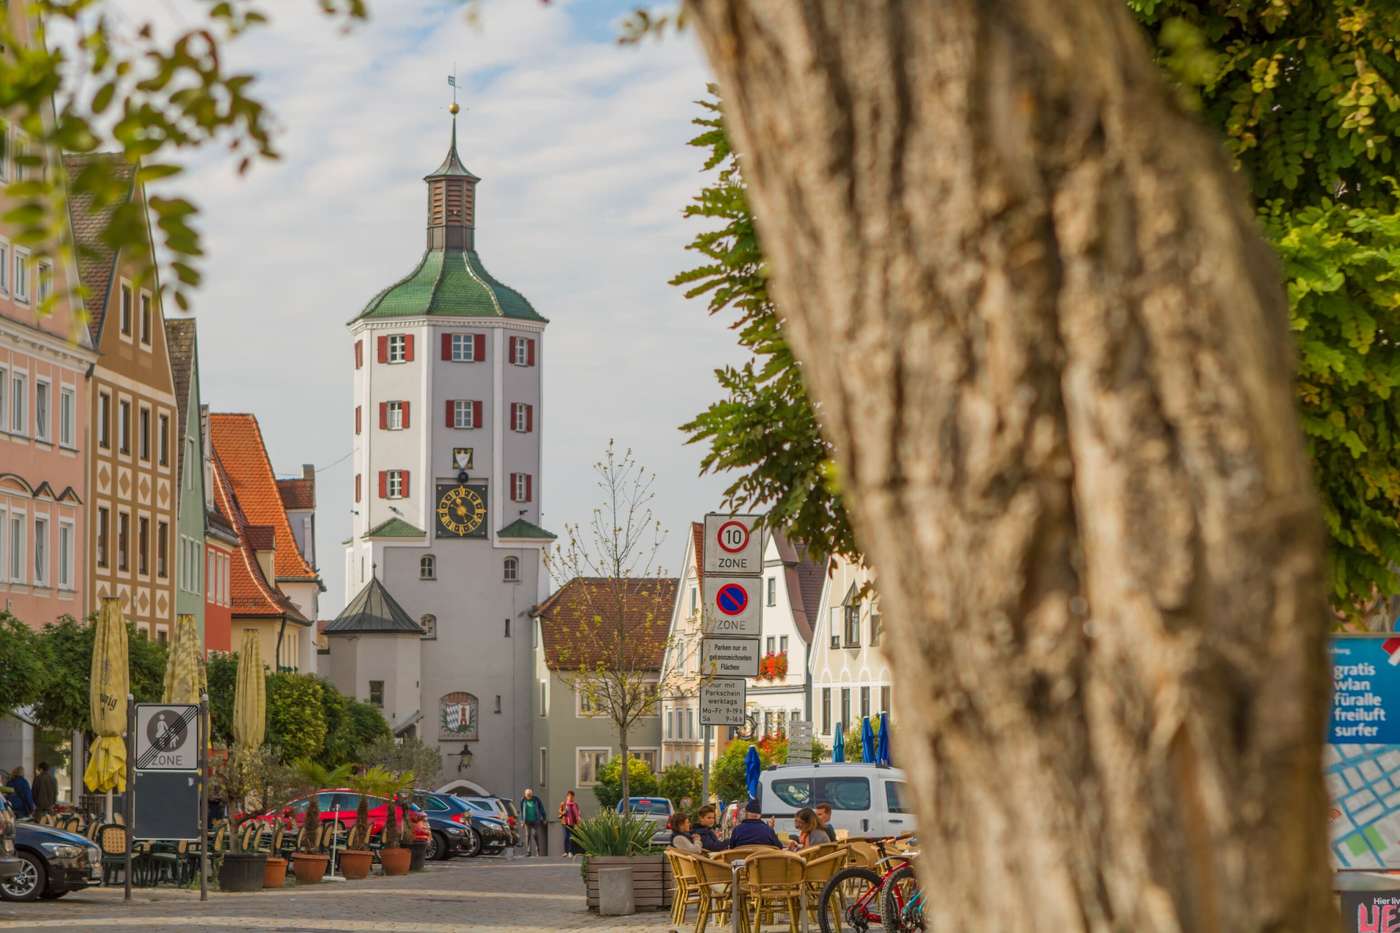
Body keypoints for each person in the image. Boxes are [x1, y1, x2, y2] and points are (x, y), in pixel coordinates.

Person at [520, 788, 546, 857]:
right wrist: (522, 821)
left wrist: (544, 818)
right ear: (525, 795)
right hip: (527, 821)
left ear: (532, 794)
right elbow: (521, 811)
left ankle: (537, 850)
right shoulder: (523, 800)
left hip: (535, 820)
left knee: (535, 834)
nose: (529, 796)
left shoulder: (536, 799)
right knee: (528, 835)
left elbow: (542, 808)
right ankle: (528, 852)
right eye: (527, 795)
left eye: (530, 795)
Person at [558, 790, 582, 857]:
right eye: (569, 796)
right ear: (567, 797)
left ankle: (571, 852)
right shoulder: (563, 804)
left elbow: (578, 813)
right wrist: (563, 812)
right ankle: (566, 851)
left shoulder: (575, 804)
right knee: (566, 837)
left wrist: (579, 819)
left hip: (573, 823)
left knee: (571, 837)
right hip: (565, 823)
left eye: (572, 797)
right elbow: (559, 811)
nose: (571, 798)